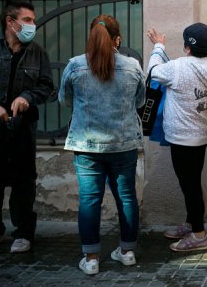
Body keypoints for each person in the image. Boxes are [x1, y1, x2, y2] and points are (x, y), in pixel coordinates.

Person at [58, 15, 145, 275]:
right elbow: (140, 101)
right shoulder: (132, 66)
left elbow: (64, 100)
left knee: (89, 200)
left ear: (91, 37)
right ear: (117, 39)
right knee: (127, 197)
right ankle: (128, 252)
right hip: (124, 144)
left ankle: (92, 258)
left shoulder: (75, 65)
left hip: (87, 146)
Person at [0, 0, 54, 254]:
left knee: (24, 180)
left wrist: (27, 98)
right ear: (11, 21)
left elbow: (45, 86)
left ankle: (23, 233)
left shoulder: (37, 53)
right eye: (28, 20)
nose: (33, 25)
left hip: (22, 128)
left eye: (33, 20)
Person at [146, 23, 207, 251]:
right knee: (192, 182)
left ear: (187, 47)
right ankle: (191, 223)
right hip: (201, 136)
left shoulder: (178, 67)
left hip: (181, 139)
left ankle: (199, 235)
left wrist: (158, 46)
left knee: (189, 186)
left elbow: (153, 71)